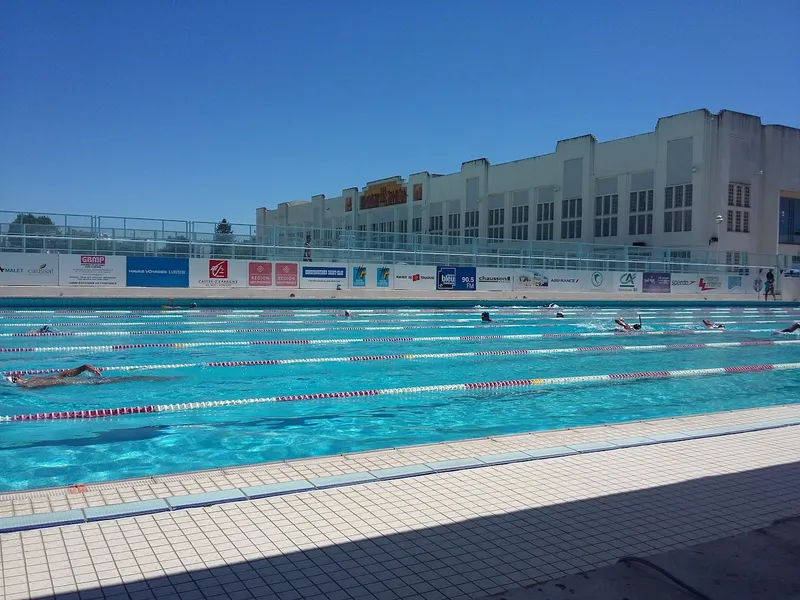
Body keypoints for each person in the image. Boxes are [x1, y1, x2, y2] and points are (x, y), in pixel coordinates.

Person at [5, 364, 176, 389]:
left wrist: (86, 367)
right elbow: (74, 371)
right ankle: (162, 379)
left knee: (126, 379)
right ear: (17, 379)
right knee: (126, 379)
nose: (19, 374)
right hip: (84, 382)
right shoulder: (30, 385)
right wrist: (87, 367)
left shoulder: (30, 386)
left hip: (83, 383)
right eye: (17, 376)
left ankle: (162, 379)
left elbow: (67, 374)